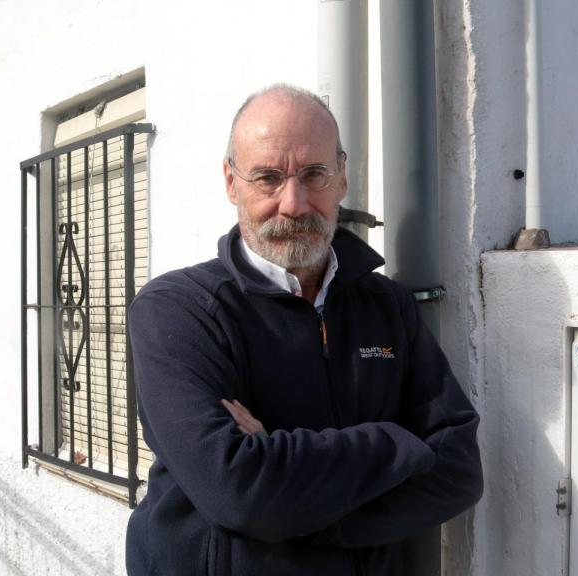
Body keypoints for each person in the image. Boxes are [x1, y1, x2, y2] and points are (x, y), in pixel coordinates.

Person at [125, 84, 483, 576]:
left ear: (341, 178)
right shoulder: (178, 311)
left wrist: (292, 508)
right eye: (267, 178)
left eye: (314, 174)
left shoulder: (388, 307)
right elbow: (237, 492)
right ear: (232, 183)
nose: (293, 204)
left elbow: (460, 473)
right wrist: (396, 443)